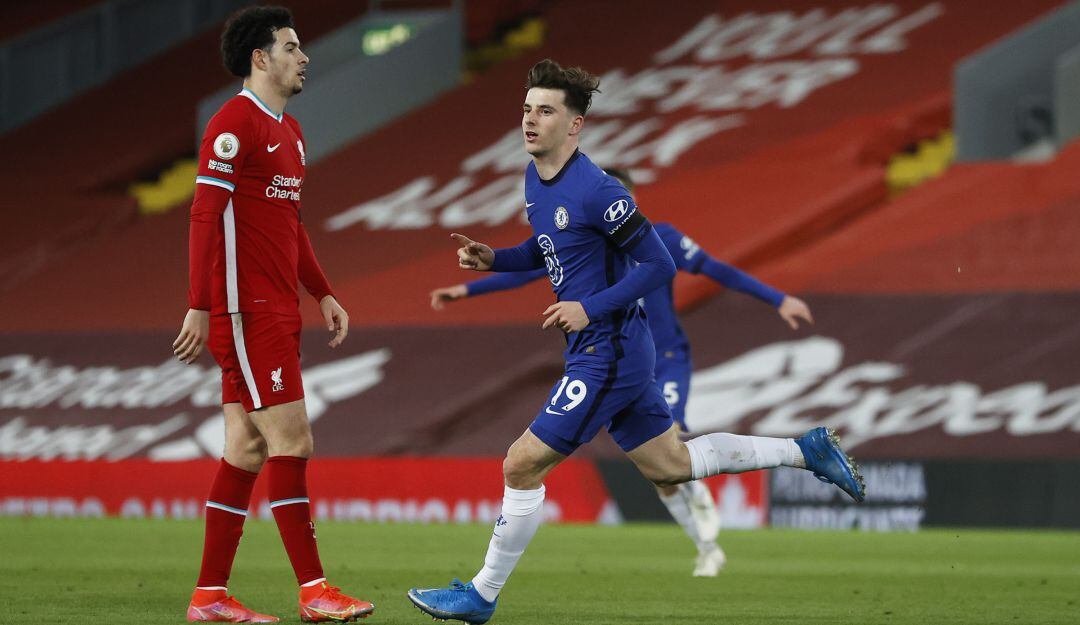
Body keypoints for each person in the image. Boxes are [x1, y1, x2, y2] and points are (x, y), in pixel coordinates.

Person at [407, 59, 864, 625]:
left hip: (609, 351)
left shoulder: (600, 191)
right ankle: (806, 451)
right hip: (603, 347)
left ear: (574, 125)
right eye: (526, 109)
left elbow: (659, 263)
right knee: (671, 465)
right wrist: (494, 259)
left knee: (521, 465)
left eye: (545, 111)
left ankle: (481, 594)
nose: (530, 120)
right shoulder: (534, 179)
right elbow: (548, 249)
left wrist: (588, 307)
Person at [429, 168, 815, 577]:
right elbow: (530, 266)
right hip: (620, 355)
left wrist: (778, 299)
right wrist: (467, 289)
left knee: (673, 444)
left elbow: (717, 270)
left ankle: (712, 498)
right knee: (665, 471)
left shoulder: (660, 239)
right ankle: (706, 545)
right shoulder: (586, 244)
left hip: (663, 357)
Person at [172, 6, 374, 623]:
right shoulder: (232, 125)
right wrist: (201, 306)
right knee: (293, 439)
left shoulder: (292, 132)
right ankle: (314, 591)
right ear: (261, 58)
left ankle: (209, 598)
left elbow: (290, 224)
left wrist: (324, 291)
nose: (303, 56)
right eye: (291, 46)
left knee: (245, 449)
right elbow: (204, 218)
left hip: (275, 306)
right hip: (244, 310)